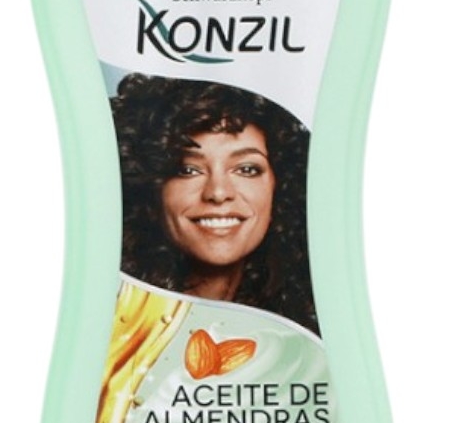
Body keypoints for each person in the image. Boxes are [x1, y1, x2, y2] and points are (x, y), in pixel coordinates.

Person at [112, 74, 318, 333]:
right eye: (187, 170)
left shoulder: (302, 325)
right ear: (152, 187)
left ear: (280, 186)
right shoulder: (114, 316)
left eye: (246, 169)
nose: (218, 193)